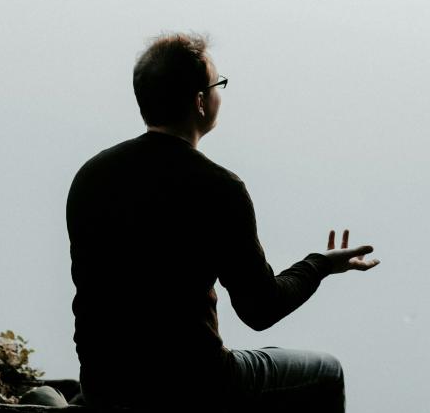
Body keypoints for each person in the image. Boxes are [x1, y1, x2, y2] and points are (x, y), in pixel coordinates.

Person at [66, 33, 380, 412]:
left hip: (104, 383)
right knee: (326, 372)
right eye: (219, 84)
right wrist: (323, 264)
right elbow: (260, 310)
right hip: (193, 385)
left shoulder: (92, 173)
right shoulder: (218, 187)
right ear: (200, 102)